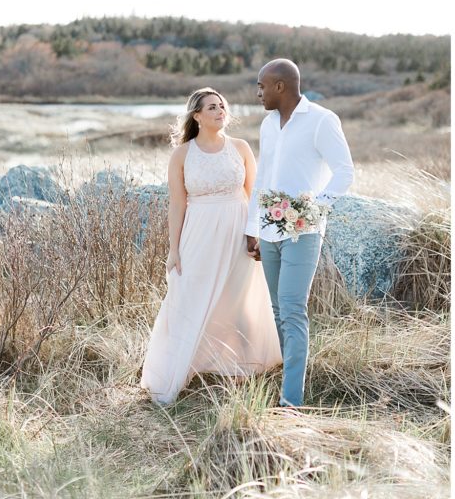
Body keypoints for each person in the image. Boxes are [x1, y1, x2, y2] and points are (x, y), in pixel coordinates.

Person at [141, 88, 282, 405]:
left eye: (223, 106)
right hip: (199, 235)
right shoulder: (182, 154)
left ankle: (245, 370)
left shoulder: (240, 148)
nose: (220, 111)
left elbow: (255, 195)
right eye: (213, 107)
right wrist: (173, 249)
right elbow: (177, 206)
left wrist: (256, 233)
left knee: (240, 299)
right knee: (191, 297)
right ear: (197, 116)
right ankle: (182, 368)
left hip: (237, 232)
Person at [245, 59, 354, 408]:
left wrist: (313, 209)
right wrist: (253, 228)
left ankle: (291, 401)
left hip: (303, 231)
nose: (258, 92)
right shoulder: (267, 124)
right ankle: (286, 382)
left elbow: (344, 172)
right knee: (278, 310)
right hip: (269, 231)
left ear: (280, 86)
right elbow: (262, 179)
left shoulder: (322, 120)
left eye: (262, 85)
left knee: (293, 308)